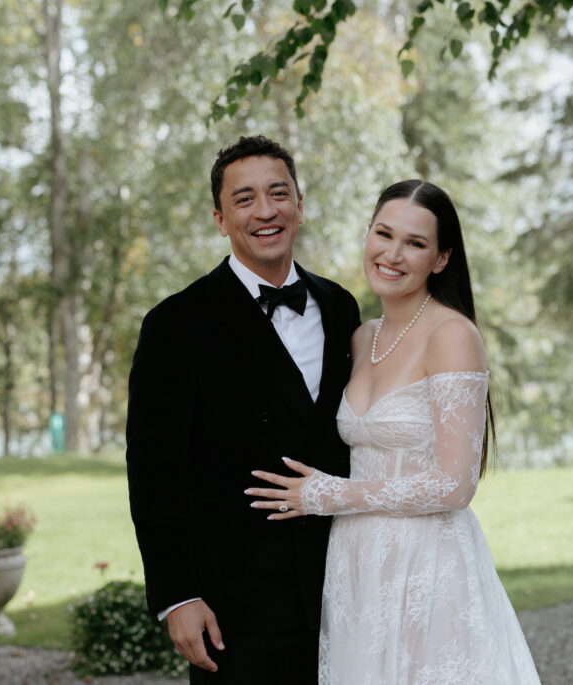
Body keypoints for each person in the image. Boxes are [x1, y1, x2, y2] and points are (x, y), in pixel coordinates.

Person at [247, 180, 542, 684]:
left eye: (416, 243)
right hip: (356, 565)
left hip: (426, 565)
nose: (393, 253)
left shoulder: (453, 336)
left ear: (442, 258)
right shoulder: (362, 337)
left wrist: (331, 494)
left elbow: (455, 485)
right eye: (383, 234)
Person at [125, 135, 361, 684]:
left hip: (343, 585)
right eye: (245, 199)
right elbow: (153, 472)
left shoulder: (340, 304)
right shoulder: (175, 324)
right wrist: (177, 595)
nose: (265, 211)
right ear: (220, 217)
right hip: (237, 605)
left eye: (278, 194)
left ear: (299, 204)